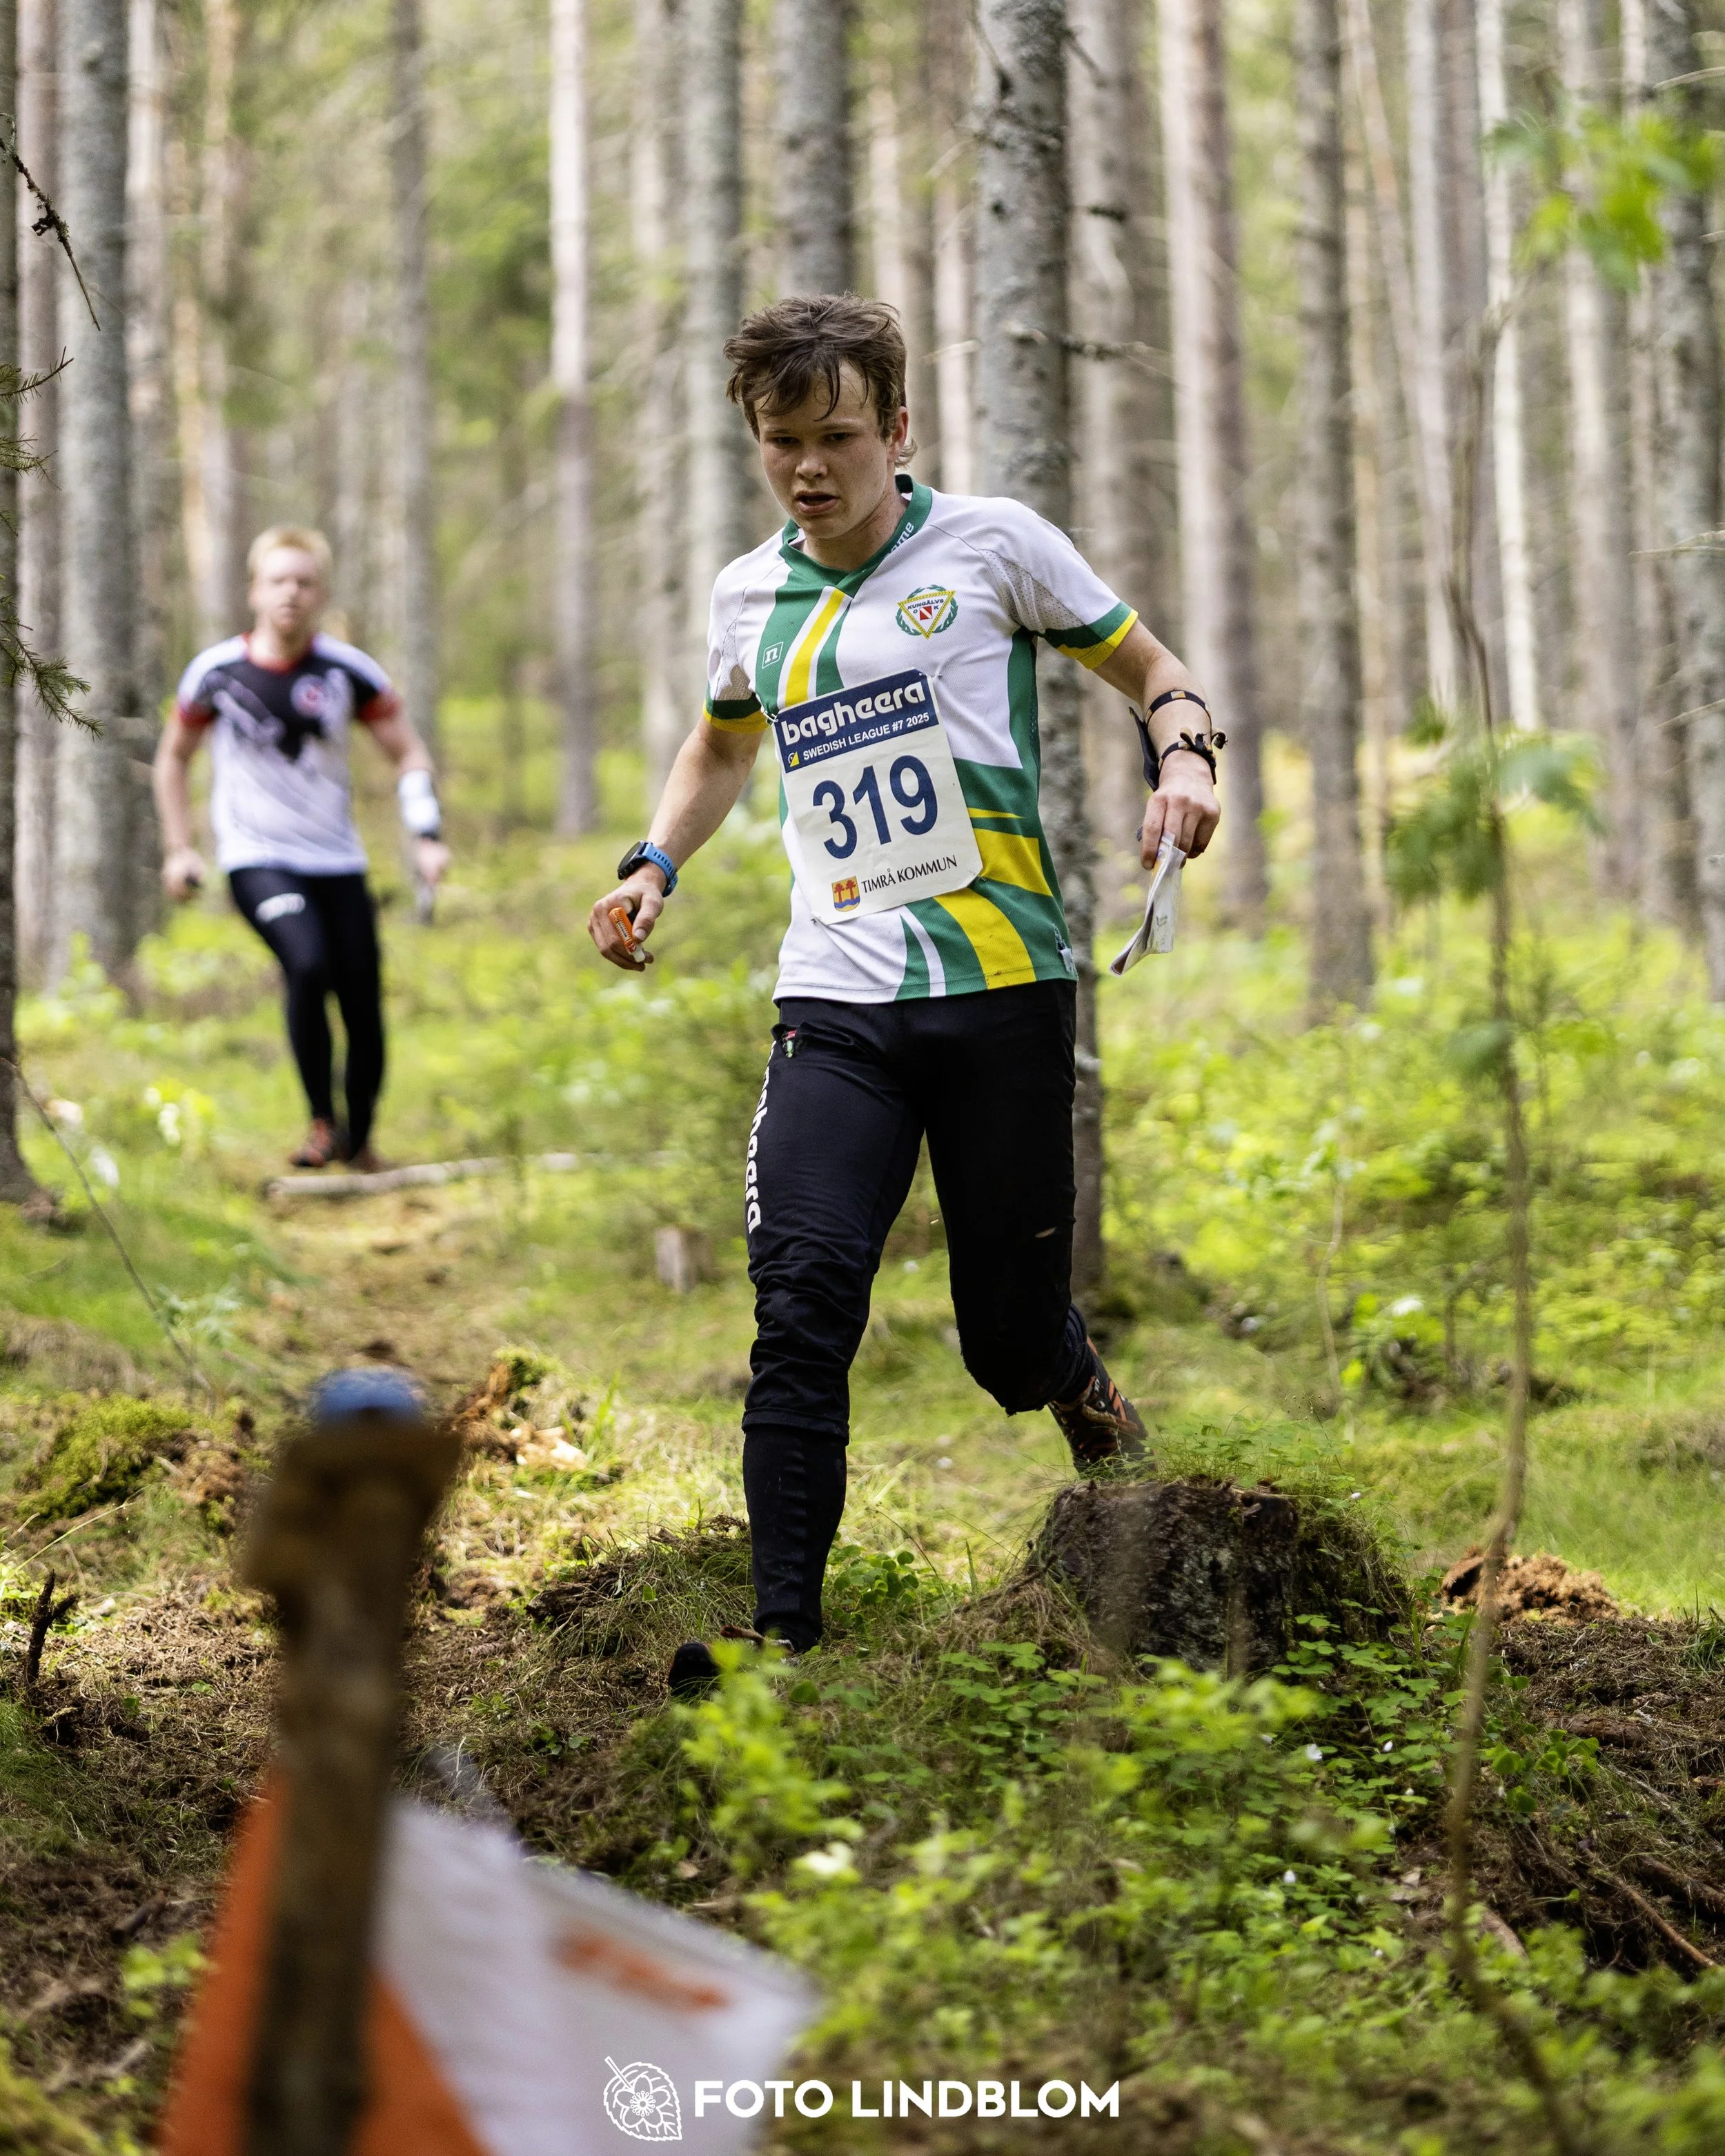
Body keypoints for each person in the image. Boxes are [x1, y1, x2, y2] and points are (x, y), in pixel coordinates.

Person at [587, 295, 1221, 1691]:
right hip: (836, 998)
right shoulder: (748, 595)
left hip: (1000, 994)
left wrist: (1182, 758)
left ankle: (1084, 1394)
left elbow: (1151, 670)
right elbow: (715, 747)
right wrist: (651, 865)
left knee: (1004, 1334)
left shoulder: (992, 547)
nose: (808, 469)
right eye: (778, 443)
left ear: (896, 428)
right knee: (802, 1295)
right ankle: (785, 1640)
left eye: (834, 437)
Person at [153, 526, 449, 1171]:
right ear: (256, 590)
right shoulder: (216, 672)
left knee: (362, 1003)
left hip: (338, 859)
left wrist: (426, 834)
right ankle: (321, 1122)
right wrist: (179, 848)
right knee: (307, 964)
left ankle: (360, 1139)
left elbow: (408, 753)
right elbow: (172, 759)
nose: (291, 593)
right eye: (279, 580)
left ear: (321, 593)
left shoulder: (348, 670)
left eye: (305, 582)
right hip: (255, 856)